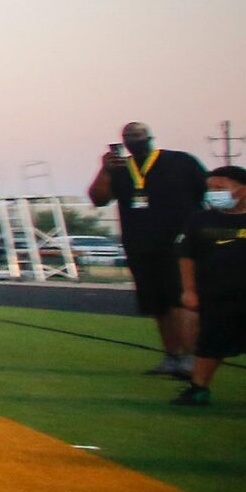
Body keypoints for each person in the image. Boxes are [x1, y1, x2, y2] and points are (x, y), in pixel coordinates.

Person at [89, 123, 209, 376]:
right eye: (128, 136)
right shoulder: (120, 169)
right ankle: (172, 356)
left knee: (180, 299)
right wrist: (105, 168)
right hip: (140, 244)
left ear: (150, 137)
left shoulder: (180, 162)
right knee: (157, 303)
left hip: (178, 242)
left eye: (137, 135)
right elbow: (98, 198)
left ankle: (191, 358)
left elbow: (206, 191)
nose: (133, 139)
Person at [175, 166, 246, 407]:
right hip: (217, 295)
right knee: (210, 344)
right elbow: (187, 256)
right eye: (211, 188)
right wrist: (189, 290)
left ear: (244, 190)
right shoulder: (200, 220)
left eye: (220, 188)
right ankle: (198, 388)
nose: (214, 193)